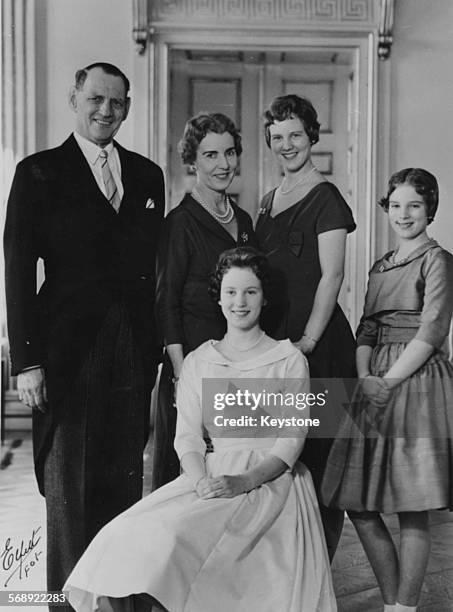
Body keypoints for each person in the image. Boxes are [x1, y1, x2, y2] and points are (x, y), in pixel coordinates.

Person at [64, 247, 337, 612]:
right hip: (207, 475)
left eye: (250, 292)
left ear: (264, 297)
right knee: (122, 535)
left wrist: (241, 482)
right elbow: (188, 437)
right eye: (231, 292)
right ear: (219, 298)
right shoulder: (199, 361)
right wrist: (200, 482)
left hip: (270, 483)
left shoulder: (288, 360)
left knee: (182, 541)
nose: (240, 302)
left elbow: (290, 442)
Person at [3, 62, 165, 600]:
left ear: (128, 106)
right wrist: (26, 361)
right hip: (66, 349)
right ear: (75, 97)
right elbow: (18, 267)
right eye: (96, 98)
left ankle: (119, 601)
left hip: (132, 349)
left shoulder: (147, 175)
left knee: (123, 482)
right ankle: (68, 606)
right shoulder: (37, 172)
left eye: (117, 102)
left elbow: (153, 272)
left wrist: (153, 350)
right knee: (68, 492)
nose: (106, 111)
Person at [321, 168, 453, 612]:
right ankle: (395, 599)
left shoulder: (438, 260)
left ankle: (403, 607)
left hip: (416, 383)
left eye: (414, 205)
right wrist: (365, 377)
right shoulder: (380, 266)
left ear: (429, 209)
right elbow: (366, 328)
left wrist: (390, 380)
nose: (404, 214)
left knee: (413, 505)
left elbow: (433, 329)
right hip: (373, 380)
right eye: (396, 205)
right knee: (356, 502)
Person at [255, 93, 356, 560]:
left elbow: (332, 276)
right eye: (278, 138)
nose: (287, 145)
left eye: (295, 134)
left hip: (320, 348)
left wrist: (308, 342)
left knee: (323, 469)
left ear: (312, 135)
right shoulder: (266, 200)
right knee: (278, 464)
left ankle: (319, 585)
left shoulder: (328, 197)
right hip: (276, 351)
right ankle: (286, 580)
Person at [153, 112, 256, 489]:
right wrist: (183, 376)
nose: (224, 164)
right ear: (193, 161)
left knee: (233, 479)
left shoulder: (244, 220)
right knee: (189, 485)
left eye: (229, 152)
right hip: (193, 368)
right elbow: (166, 302)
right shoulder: (179, 222)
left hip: (238, 368)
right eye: (211, 155)